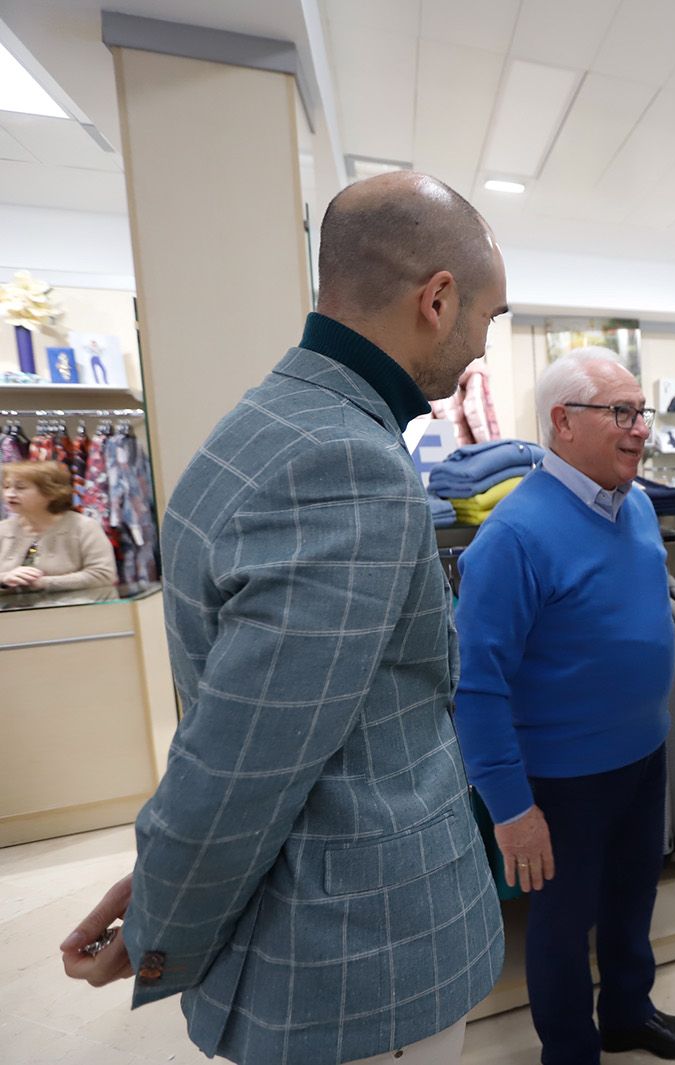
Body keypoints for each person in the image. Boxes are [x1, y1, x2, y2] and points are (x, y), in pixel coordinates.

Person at [56, 171, 510, 1064]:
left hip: (324, 934)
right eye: (488, 321)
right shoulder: (349, 464)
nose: (481, 352)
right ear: (438, 298)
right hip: (357, 961)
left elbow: (241, 712)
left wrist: (160, 880)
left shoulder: (264, 423)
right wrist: (157, 921)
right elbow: (243, 764)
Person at [451, 347, 675, 1065]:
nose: (639, 430)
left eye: (640, 412)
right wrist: (509, 807)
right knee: (563, 925)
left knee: (632, 902)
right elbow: (477, 686)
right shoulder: (512, 537)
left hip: (640, 753)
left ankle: (627, 1013)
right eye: (620, 413)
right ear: (562, 422)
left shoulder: (628, 504)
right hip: (561, 780)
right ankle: (570, 1052)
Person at [1, 459, 115, 590]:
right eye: (6, 487)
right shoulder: (3, 530)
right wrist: (4, 579)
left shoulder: (84, 527)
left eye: (20, 487)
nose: (10, 494)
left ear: (50, 492)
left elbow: (103, 576)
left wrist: (45, 583)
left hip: (76, 609)